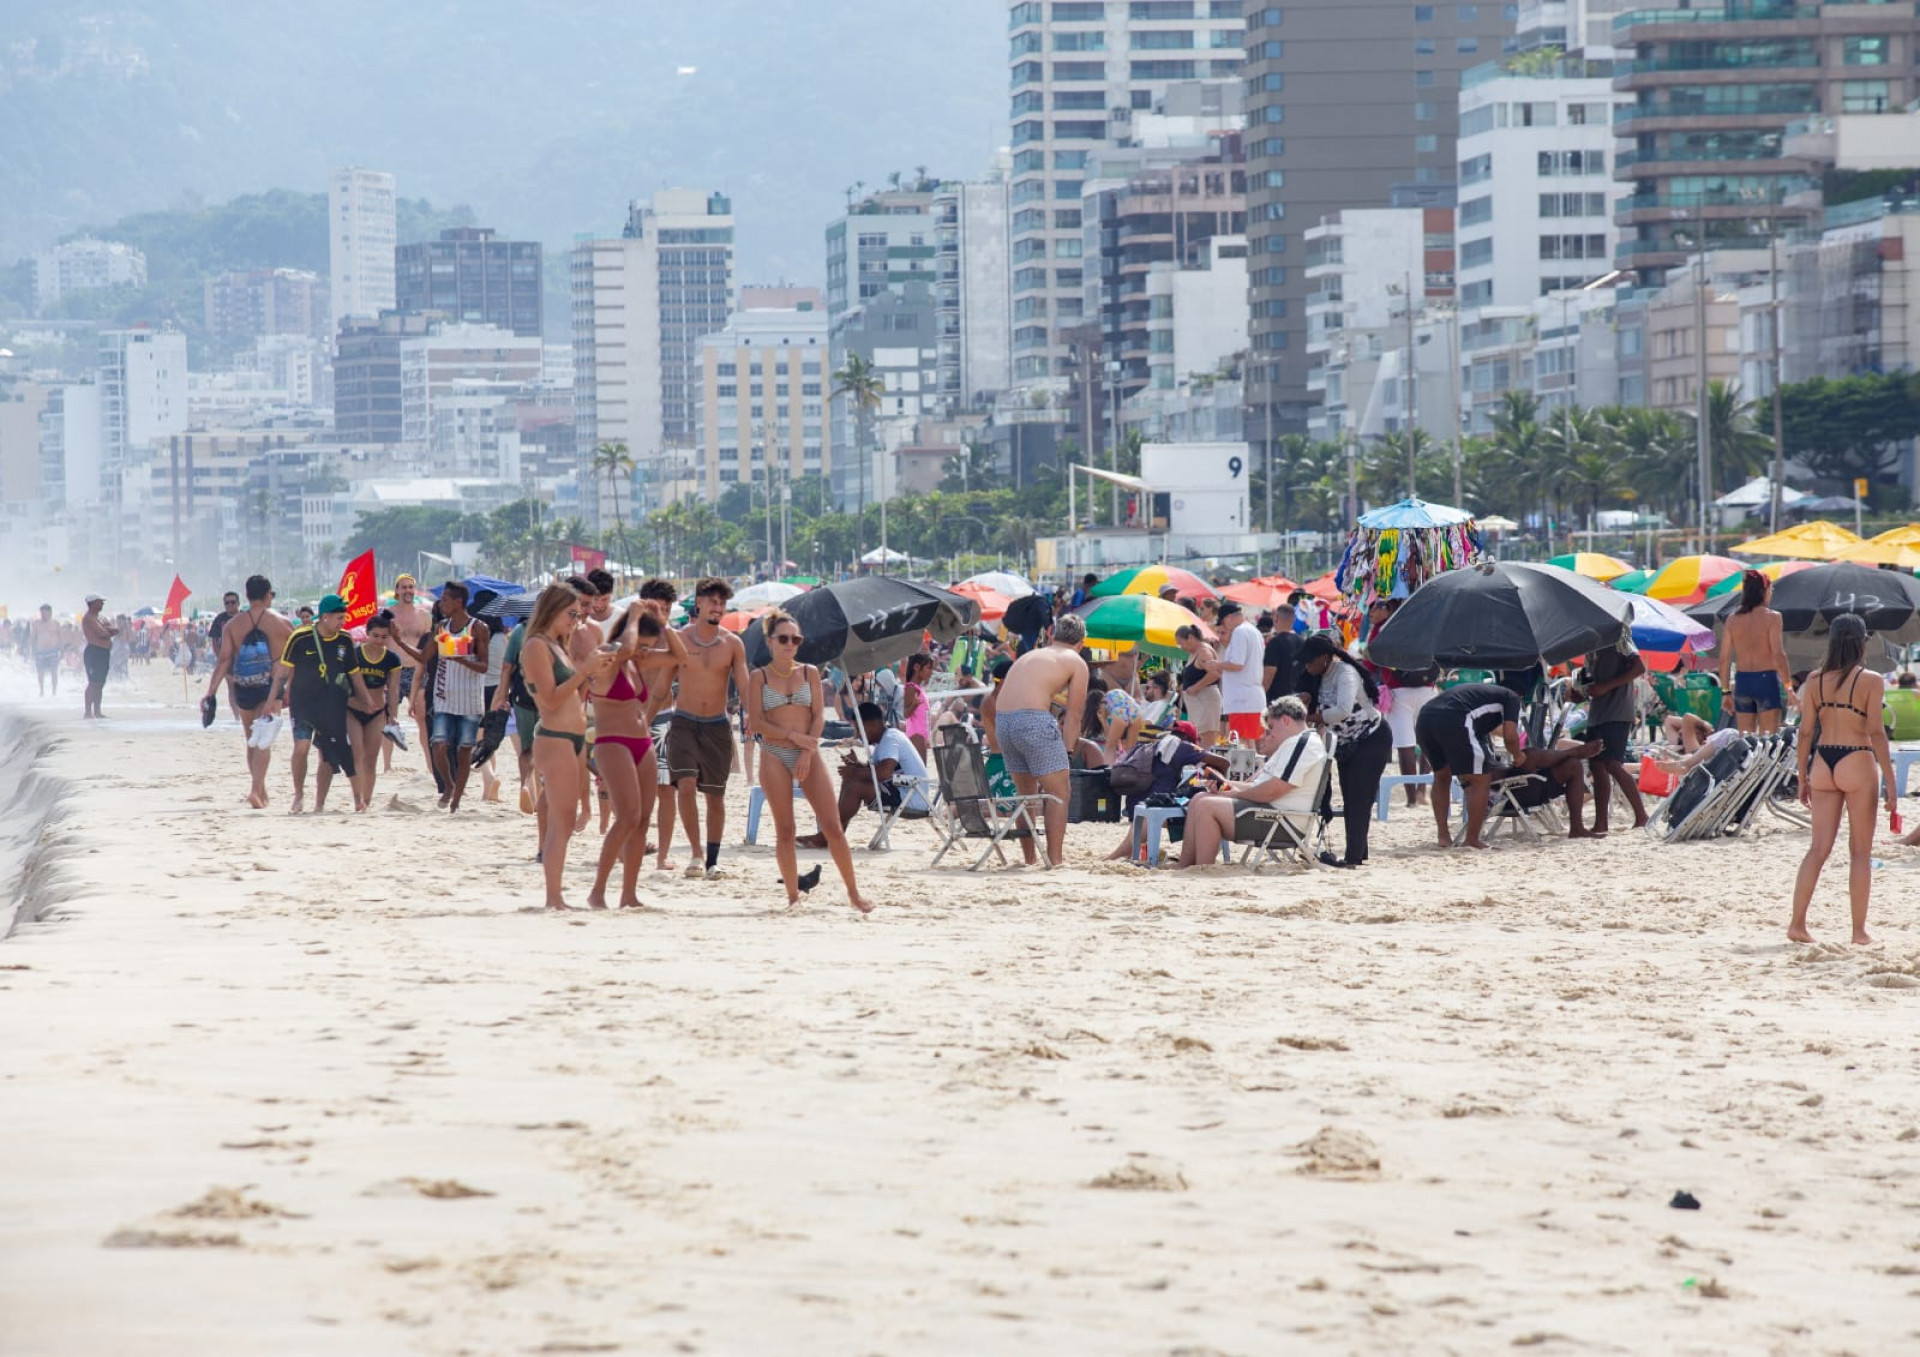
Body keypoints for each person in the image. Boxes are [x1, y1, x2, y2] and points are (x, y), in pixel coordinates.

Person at [748, 610, 875, 912]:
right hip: (774, 753)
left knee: (832, 826)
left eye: (795, 638)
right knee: (786, 829)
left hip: (808, 751)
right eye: (783, 638)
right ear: (770, 642)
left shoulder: (809, 672)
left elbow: (819, 716)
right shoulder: (759, 676)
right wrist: (795, 737)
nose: (790, 643)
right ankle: (793, 897)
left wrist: (806, 750)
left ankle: (854, 893)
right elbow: (757, 722)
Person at [1790, 613, 1895, 945]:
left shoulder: (1815, 680)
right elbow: (1877, 733)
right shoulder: (1871, 680)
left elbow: (1805, 732)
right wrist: (1891, 783)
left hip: (1823, 759)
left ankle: (1797, 924)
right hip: (1856, 757)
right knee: (1860, 853)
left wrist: (1802, 778)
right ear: (1862, 643)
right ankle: (1858, 931)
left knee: (1817, 849)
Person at [518, 583, 616, 910]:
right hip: (555, 738)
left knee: (567, 818)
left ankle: (556, 894)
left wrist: (591, 672)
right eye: (571, 614)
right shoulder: (535, 646)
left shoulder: (556, 644)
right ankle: (553, 897)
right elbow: (549, 699)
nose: (576, 621)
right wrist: (584, 671)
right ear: (552, 610)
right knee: (560, 821)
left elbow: (569, 691)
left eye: (578, 614)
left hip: (571, 738)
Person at [585, 603, 682, 911]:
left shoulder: (637, 660)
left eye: (648, 647)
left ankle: (629, 893)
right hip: (612, 742)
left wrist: (664, 624)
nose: (643, 651)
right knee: (627, 816)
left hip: (643, 742)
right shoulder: (609, 654)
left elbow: (679, 657)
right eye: (642, 644)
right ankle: (597, 891)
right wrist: (636, 615)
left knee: (641, 822)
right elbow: (626, 646)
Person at [1172, 697, 1327, 869]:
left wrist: (1234, 793)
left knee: (1206, 806)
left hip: (1281, 821)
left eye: (1271, 727)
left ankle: (1203, 868)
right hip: (1270, 813)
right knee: (1199, 798)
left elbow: (1274, 790)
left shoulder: (1303, 744)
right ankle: (1185, 866)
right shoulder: (1295, 743)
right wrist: (1227, 784)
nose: (1270, 733)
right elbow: (1262, 786)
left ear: (1285, 720)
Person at [990, 613, 1090, 868]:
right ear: (1081, 641)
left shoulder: (1031, 655)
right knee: (1059, 792)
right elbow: (1075, 714)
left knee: (1027, 796)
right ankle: (1055, 860)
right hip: (1032, 720)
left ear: (1052, 635)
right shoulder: (1075, 661)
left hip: (1004, 721)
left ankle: (1029, 858)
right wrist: (1068, 751)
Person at [669, 577, 752, 878]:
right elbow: (662, 683)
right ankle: (695, 853)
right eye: (712, 602)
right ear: (699, 603)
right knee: (686, 786)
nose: (717, 607)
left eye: (722, 603)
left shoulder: (733, 643)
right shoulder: (679, 638)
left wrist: (752, 716)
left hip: (717, 725)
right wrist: (646, 715)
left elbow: (744, 683)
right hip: (684, 723)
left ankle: (712, 860)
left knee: (715, 796)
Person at [266, 594, 367, 815]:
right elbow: (282, 670)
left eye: (344, 617)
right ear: (325, 617)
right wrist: (273, 699)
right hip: (303, 703)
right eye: (339, 618)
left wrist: (366, 700)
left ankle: (320, 803)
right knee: (301, 747)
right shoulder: (300, 637)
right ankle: (299, 794)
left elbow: (354, 673)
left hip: (332, 705)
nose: (343, 622)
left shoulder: (345, 640)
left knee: (327, 755)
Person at [1300, 633, 1394, 868]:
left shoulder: (1346, 674)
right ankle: (1358, 853)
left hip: (1371, 738)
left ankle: (1353, 858)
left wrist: (1312, 716)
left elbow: (1342, 710)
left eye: (1310, 661)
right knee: (1349, 795)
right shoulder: (1319, 675)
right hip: (1345, 743)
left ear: (1324, 658)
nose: (1307, 666)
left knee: (1359, 798)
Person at [202, 575, 293, 808]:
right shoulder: (282, 623)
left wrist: (210, 691)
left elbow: (223, 660)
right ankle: (255, 790)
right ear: (267, 594)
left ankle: (260, 790)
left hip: (242, 685)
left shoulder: (233, 625)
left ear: (247, 595)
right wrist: (291, 687)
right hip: (269, 686)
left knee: (251, 739)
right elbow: (291, 661)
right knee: (264, 739)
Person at [801, 700, 932, 847]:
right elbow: (879, 771)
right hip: (903, 790)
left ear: (873, 725)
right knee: (851, 781)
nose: (858, 734)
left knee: (855, 787)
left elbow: (883, 773)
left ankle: (827, 835)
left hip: (912, 796)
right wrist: (857, 766)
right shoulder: (885, 740)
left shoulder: (891, 739)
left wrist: (855, 772)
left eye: (859, 729)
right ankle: (833, 834)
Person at [1415, 681, 1524, 850]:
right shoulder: (1511, 698)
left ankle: (1443, 836)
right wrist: (1518, 755)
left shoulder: (1485, 694)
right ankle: (1472, 840)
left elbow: (1486, 723)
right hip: (1455, 718)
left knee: (1442, 775)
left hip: (1426, 717)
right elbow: (1510, 736)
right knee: (1480, 780)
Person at [631, 577, 687, 871]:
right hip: (628, 717)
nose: (661, 613)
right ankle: (631, 845)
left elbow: (682, 659)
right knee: (629, 789)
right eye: (656, 608)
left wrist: (665, 625)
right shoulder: (629, 633)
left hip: (663, 719)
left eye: (666, 608)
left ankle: (663, 854)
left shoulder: (671, 637)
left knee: (667, 789)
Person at [1366, 597, 1440, 808]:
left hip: (1398, 690)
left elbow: (1371, 662)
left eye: (1376, 606)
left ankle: (1411, 798)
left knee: (1405, 744)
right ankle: (1422, 791)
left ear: (1388, 607)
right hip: (1427, 687)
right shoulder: (1423, 623)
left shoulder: (1383, 629)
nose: (1371, 611)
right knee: (1425, 741)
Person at [428, 580, 490, 813]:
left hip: (470, 699)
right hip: (444, 695)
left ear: (458, 602)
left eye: (445, 599)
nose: (441, 604)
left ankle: (455, 802)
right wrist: (398, 640)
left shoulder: (478, 628)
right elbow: (425, 658)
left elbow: (484, 666)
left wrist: (460, 658)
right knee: (439, 745)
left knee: (464, 751)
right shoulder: (441, 627)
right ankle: (449, 786)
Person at [1579, 634, 1649, 833]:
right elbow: (1590, 678)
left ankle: (1641, 815)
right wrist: (1581, 691)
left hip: (1618, 711)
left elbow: (1639, 668)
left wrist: (1606, 686)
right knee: (1596, 764)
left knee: (1612, 763)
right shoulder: (1590, 643)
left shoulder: (1618, 636)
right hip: (1598, 712)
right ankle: (1601, 822)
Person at [1719, 569, 1794, 735]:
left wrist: (1725, 692)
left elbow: (1724, 659)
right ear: (1765, 591)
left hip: (1743, 681)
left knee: (1746, 741)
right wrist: (1789, 687)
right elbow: (1778, 654)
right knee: (1767, 741)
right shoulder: (1773, 617)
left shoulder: (1732, 619)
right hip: (1766, 680)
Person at [347, 611, 403, 812]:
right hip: (353, 709)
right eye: (375, 636)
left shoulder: (392, 659)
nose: (379, 641)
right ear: (367, 633)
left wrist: (393, 715)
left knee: (371, 758)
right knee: (357, 754)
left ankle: (366, 801)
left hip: (377, 712)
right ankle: (356, 798)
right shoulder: (354, 653)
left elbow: (394, 689)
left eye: (384, 637)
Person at [387, 574, 433, 773]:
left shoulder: (424, 616)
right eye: (404, 587)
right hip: (393, 671)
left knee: (422, 716)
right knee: (388, 718)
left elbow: (428, 646)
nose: (408, 591)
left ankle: (430, 764)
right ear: (396, 590)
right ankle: (387, 765)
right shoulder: (388, 614)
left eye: (410, 587)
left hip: (417, 669)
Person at [1204, 600, 1267, 744]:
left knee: (1242, 744)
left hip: (1242, 699)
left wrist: (1216, 665)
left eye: (1223, 622)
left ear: (1229, 617)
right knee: (1250, 743)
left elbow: (1237, 664)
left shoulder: (1240, 631)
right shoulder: (1253, 630)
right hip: (1249, 696)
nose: (1225, 627)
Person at [1174, 624, 1222, 742]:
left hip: (1206, 700)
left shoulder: (1204, 652)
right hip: (1197, 703)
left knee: (1206, 738)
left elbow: (1215, 673)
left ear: (1190, 637)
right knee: (1197, 737)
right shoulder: (1195, 652)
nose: (1182, 647)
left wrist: (1196, 687)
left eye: (1182, 643)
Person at [80, 594, 115, 719]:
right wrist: (108, 631)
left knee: (100, 683)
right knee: (93, 682)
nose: (102, 604)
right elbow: (102, 633)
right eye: (100, 602)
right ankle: (88, 711)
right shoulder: (89, 618)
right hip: (94, 652)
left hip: (103, 652)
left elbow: (113, 629)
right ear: (92, 603)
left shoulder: (100, 617)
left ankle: (97, 711)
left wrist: (109, 631)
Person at [1262, 602, 1302, 702]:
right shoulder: (1302, 641)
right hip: (1297, 697)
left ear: (1276, 618)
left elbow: (1269, 674)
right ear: (1293, 620)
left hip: (1276, 700)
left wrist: (1260, 697)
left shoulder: (1275, 643)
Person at [901, 651, 935, 760]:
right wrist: (914, 706)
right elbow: (905, 714)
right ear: (916, 667)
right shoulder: (911, 688)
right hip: (915, 737)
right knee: (919, 773)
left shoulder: (918, 689)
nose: (931, 672)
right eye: (928, 668)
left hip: (921, 737)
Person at [31, 604, 62, 697]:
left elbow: (60, 637)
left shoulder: (56, 624)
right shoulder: (36, 624)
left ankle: (54, 691)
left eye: (45, 613)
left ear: (50, 613)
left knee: (54, 671)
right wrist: (32, 650)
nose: (43, 615)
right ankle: (41, 690)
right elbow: (33, 638)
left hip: (52, 650)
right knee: (40, 671)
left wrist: (61, 650)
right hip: (40, 650)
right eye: (41, 613)